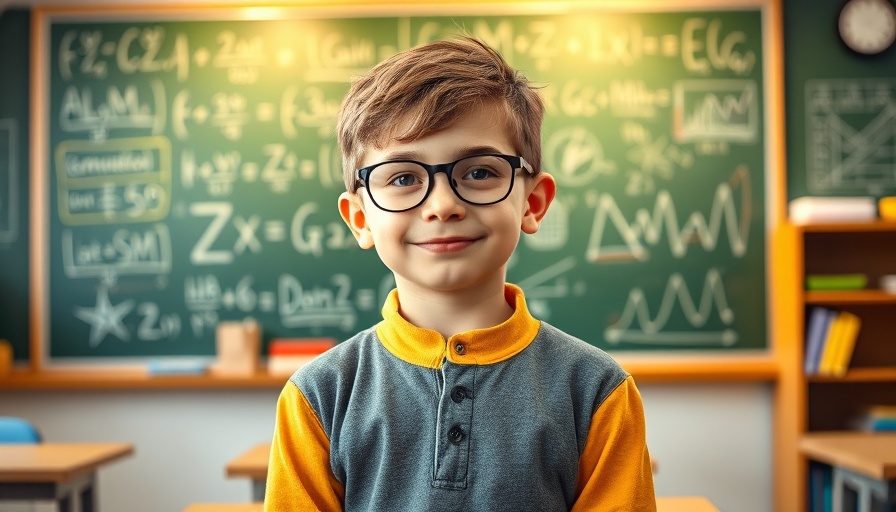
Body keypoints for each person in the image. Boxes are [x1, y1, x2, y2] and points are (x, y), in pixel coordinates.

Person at [265, 36, 656, 512]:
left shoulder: (596, 392)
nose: (443, 205)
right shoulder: (318, 397)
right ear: (361, 218)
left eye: (479, 172)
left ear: (533, 203)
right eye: (403, 177)